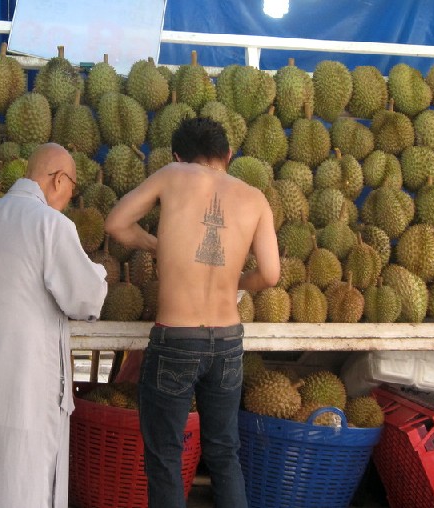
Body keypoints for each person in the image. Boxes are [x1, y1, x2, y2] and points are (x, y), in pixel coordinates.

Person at [104, 117, 280, 508]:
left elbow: (115, 223)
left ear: (178, 156)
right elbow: (270, 274)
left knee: (166, 455)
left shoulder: (172, 174)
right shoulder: (254, 197)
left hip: (177, 337)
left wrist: (154, 244)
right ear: (228, 155)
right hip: (228, 340)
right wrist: (236, 282)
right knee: (223, 453)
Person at [0, 143, 108, 508]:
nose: (69, 197)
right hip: (23, 386)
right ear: (59, 179)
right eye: (72, 188)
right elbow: (86, 297)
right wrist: (100, 272)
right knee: (19, 479)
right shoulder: (51, 224)